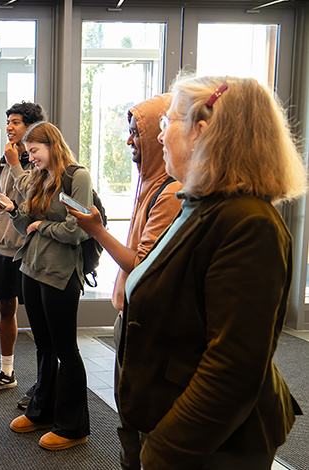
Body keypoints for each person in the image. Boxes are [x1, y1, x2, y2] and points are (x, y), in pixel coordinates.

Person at [116, 75, 304, 469]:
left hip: (209, 446)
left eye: (168, 124)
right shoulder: (197, 206)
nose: (160, 137)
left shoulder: (250, 224)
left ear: (200, 133)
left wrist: (164, 452)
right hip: (162, 420)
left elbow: (232, 368)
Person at [67, 93, 182, 469]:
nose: (131, 142)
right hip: (132, 316)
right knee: (130, 417)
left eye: (139, 134)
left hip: (148, 324)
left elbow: (142, 264)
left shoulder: (171, 192)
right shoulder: (150, 183)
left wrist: (97, 230)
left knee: (143, 421)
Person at [0, 121, 91, 451]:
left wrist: (40, 225)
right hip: (31, 270)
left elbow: (78, 230)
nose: (30, 157)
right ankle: (42, 411)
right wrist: (14, 212)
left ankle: (73, 427)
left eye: (34, 151)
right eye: (28, 152)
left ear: (52, 146)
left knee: (66, 351)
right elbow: (25, 224)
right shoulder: (39, 177)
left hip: (60, 274)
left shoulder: (77, 177)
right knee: (44, 347)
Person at [0, 101, 46, 400]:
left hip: (31, 248)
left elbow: (36, 200)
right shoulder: (4, 160)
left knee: (41, 315)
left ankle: (45, 381)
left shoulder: (41, 159)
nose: (10, 127)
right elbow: (0, 206)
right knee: (6, 308)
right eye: (9, 122)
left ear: (31, 127)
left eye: (15, 122)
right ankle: (7, 372)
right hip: (4, 246)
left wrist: (16, 163)